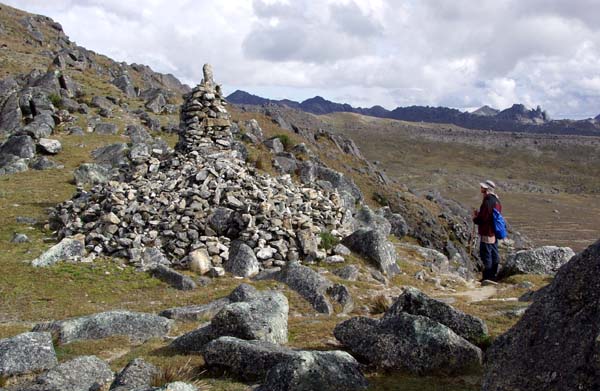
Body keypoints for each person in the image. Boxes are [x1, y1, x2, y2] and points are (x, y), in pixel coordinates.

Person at [472, 179, 502, 281]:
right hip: (493, 232)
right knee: (494, 252)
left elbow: (483, 218)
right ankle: (493, 275)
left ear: (486, 189)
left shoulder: (488, 201)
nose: (481, 188)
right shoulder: (496, 200)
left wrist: (476, 218)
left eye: (482, 187)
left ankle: (487, 277)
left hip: (487, 232)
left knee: (486, 254)